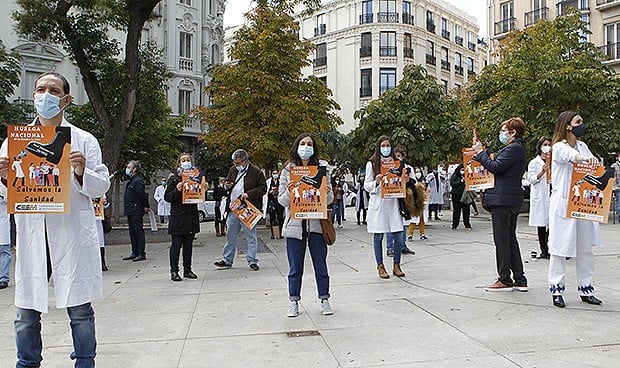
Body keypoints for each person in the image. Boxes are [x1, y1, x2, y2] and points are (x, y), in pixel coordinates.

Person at [0, 72, 110, 368]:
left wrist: (79, 172)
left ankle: (85, 362)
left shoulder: (83, 140)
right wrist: (4, 177)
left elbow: (101, 186)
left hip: (70, 233)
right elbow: (7, 192)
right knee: (25, 312)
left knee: (80, 310)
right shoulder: (16, 142)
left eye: (52, 90)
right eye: (40, 89)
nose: (45, 95)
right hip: (34, 236)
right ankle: (27, 363)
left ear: (66, 99)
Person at [547, 111, 603, 308]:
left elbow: (590, 162)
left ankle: (586, 288)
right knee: (559, 248)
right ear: (568, 126)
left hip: (583, 204)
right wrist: (582, 158)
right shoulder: (559, 147)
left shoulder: (583, 146)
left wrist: (593, 160)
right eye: (578, 122)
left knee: (585, 247)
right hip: (563, 203)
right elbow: (571, 156)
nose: (582, 124)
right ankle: (557, 288)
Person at [278, 133, 334, 317]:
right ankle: (293, 301)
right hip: (295, 226)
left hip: (317, 225)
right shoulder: (288, 171)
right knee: (295, 267)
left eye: (309, 144)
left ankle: (324, 299)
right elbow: (282, 201)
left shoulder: (322, 168)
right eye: (302, 143)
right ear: (296, 146)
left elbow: (330, 198)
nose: (306, 146)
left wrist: (326, 193)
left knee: (321, 264)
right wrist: (289, 191)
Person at [471, 117, 528, 292]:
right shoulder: (513, 148)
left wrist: (481, 154)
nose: (501, 134)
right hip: (508, 197)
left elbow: (496, 167)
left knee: (502, 240)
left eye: (504, 131)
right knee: (510, 239)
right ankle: (519, 278)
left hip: (503, 199)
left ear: (513, 132)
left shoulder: (514, 148)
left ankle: (504, 278)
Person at [214, 149, 267, 271]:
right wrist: (227, 185)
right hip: (234, 208)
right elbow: (230, 183)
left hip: (248, 208)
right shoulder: (233, 170)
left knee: (251, 236)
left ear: (245, 161)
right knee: (230, 235)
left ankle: (252, 260)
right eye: (234, 163)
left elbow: (263, 188)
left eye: (238, 163)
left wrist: (249, 194)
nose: (235, 165)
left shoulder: (256, 172)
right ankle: (227, 259)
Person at [364, 136, 406, 279]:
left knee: (398, 237)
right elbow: (366, 185)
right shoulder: (372, 164)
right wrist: (376, 182)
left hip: (393, 204)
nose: (386, 148)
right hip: (379, 204)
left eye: (388, 145)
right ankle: (380, 266)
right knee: (378, 236)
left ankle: (396, 265)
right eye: (383, 145)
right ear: (378, 147)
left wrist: (405, 180)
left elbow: (403, 182)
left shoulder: (397, 163)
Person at [164, 153, 201, 282]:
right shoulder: (174, 179)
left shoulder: (195, 177)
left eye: (188, 160)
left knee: (188, 245)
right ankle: (174, 271)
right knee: (176, 244)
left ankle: (187, 269)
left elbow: (198, 195)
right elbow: (167, 197)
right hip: (178, 217)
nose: (186, 162)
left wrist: (203, 188)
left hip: (191, 216)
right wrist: (177, 190)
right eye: (183, 160)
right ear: (179, 163)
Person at [527, 136, 552, 259]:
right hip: (541, 196)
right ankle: (544, 250)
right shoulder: (534, 162)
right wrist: (542, 172)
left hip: (552, 194)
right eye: (545, 144)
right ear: (540, 146)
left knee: (553, 223)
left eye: (549, 144)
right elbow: (531, 179)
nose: (547, 146)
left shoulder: (554, 161)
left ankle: (552, 247)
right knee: (541, 225)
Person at [122, 160, 150, 262]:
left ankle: (141, 253)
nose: (127, 169)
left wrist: (146, 206)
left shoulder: (137, 181)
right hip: (130, 210)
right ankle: (135, 252)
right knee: (132, 232)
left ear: (134, 169)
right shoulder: (131, 180)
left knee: (138, 232)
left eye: (129, 167)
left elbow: (142, 196)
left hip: (136, 210)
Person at [449, 164, 472, 230]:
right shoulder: (455, 175)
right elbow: (452, 184)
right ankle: (455, 225)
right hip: (456, 195)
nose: (462, 171)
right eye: (461, 170)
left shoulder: (467, 175)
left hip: (465, 195)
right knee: (456, 211)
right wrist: (460, 181)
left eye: (463, 170)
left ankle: (467, 224)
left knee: (466, 211)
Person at [265, 169, 285, 239]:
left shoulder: (281, 181)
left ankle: (280, 233)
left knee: (280, 218)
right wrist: (270, 192)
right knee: (272, 218)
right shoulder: (269, 182)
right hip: (272, 202)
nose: (275, 175)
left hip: (279, 202)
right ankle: (273, 234)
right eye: (274, 173)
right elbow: (266, 191)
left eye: (276, 173)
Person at [0, 189, 10, 289]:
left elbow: (10, 199)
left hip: (2, 223)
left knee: (3, 251)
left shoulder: (3, 186)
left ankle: (3, 278)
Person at [611, 153, 620, 222]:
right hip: (618, 188)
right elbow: (613, 178)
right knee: (619, 204)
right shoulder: (614, 166)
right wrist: (614, 187)